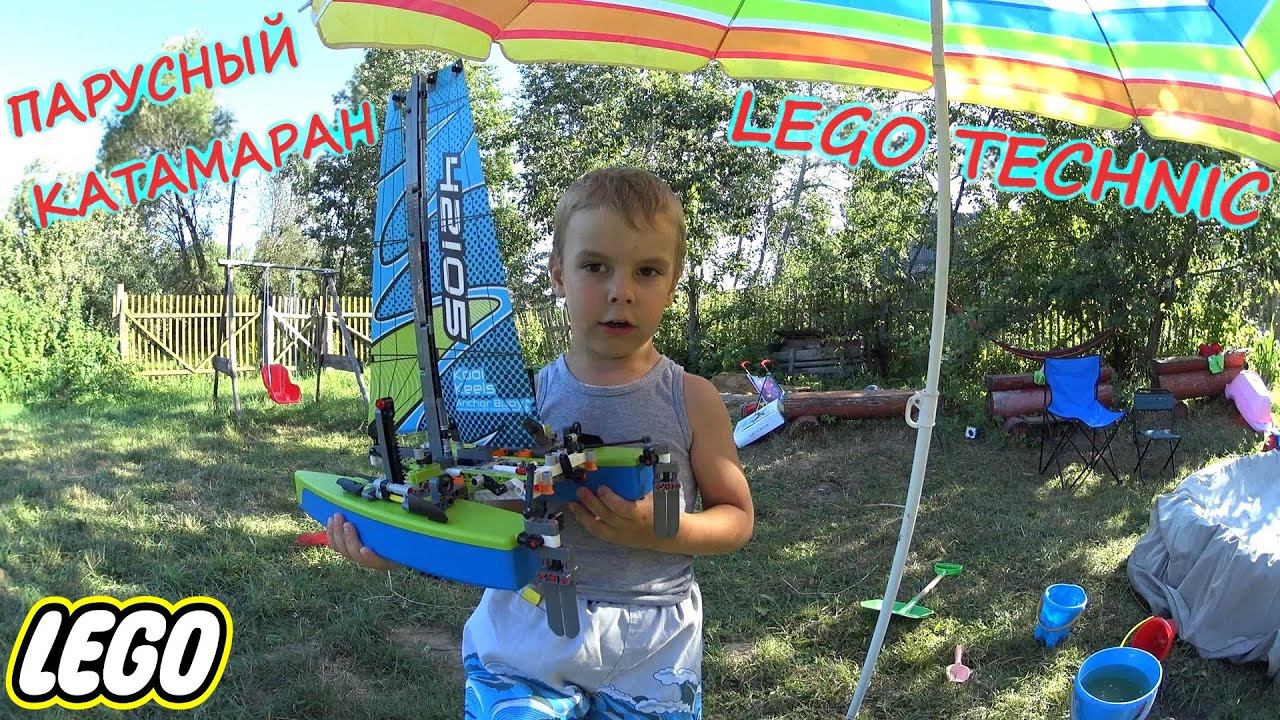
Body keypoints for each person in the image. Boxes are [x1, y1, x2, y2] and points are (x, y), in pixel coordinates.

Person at [326, 167, 754, 719]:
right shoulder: (522, 401)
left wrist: (666, 528)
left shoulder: (692, 398)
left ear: (672, 285)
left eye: (647, 271)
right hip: (529, 630)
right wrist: (398, 545)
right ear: (558, 275)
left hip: (653, 648)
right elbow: (482, 506)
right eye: (595, 266)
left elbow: (736, 518)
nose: (621, 291)